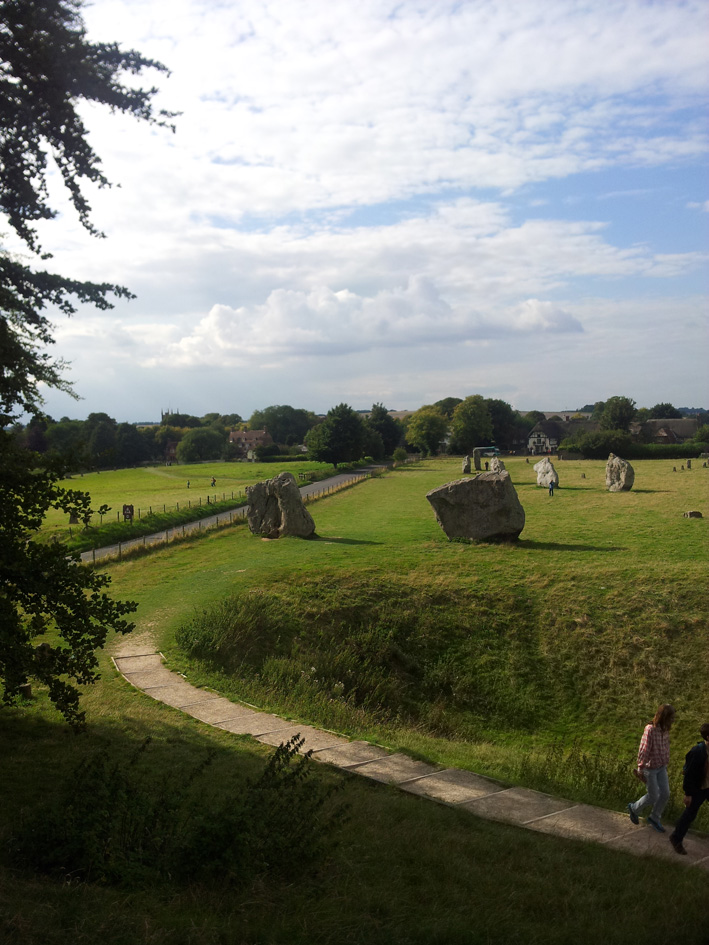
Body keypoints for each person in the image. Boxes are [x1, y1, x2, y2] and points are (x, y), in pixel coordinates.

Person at [627, 703, 675, 832]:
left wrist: (666, 760)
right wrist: (640, 768)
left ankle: (654, 817)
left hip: (661, 767)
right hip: (650, 768)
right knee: (653, 796)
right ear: (664, 716)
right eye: (671, 717)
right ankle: (634, 808)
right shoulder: (650, 729)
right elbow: (644, 749)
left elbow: (665, 746)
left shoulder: (665, 729)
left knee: (665, 794)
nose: (673, 720)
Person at [669, 722, 709, 855]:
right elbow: (689, 774)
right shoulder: (697, 752)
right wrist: (688, 794)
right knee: (690, 814)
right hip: (699, 788)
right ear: (708, 737)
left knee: (690, 814)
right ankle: (676, 838)